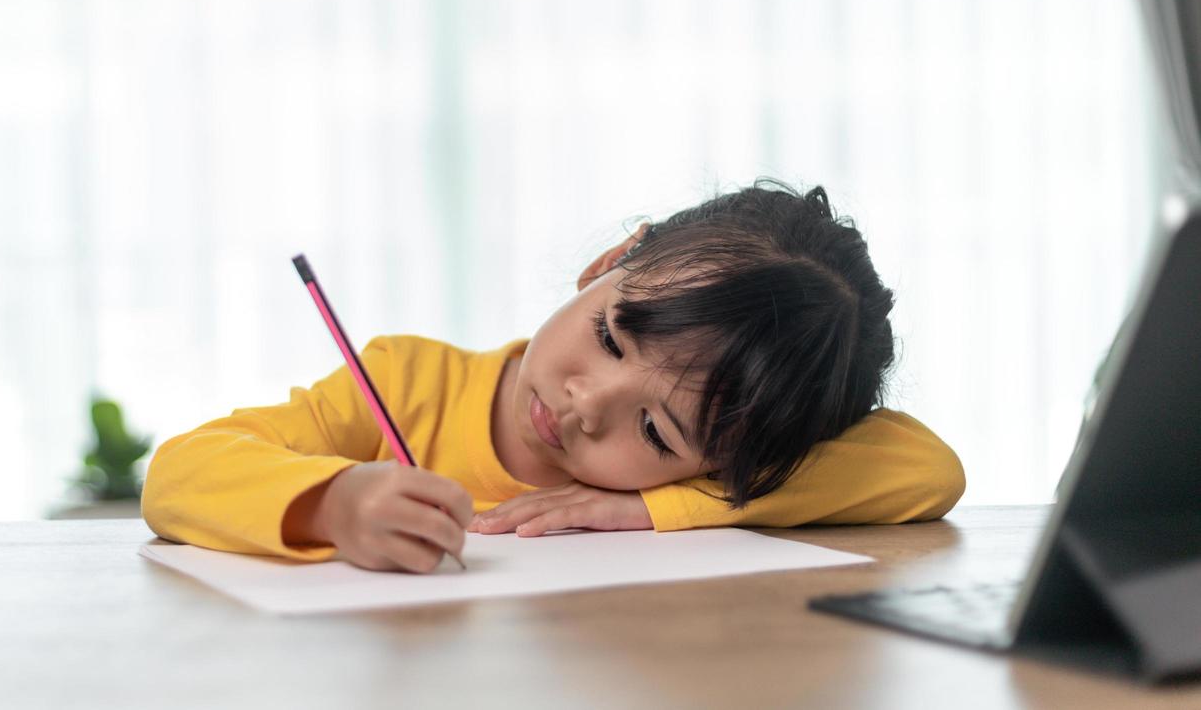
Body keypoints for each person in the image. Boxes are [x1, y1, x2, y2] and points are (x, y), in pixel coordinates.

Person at [142, 180, 965, 573]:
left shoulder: (692, 482)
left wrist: (649, 509)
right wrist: (335, 501)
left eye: (656, 432)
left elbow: (926, 469)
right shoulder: (405, 382)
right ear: (609, 265)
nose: (586, 404)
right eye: (611, 336)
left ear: (723, 459)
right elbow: (178, 475)